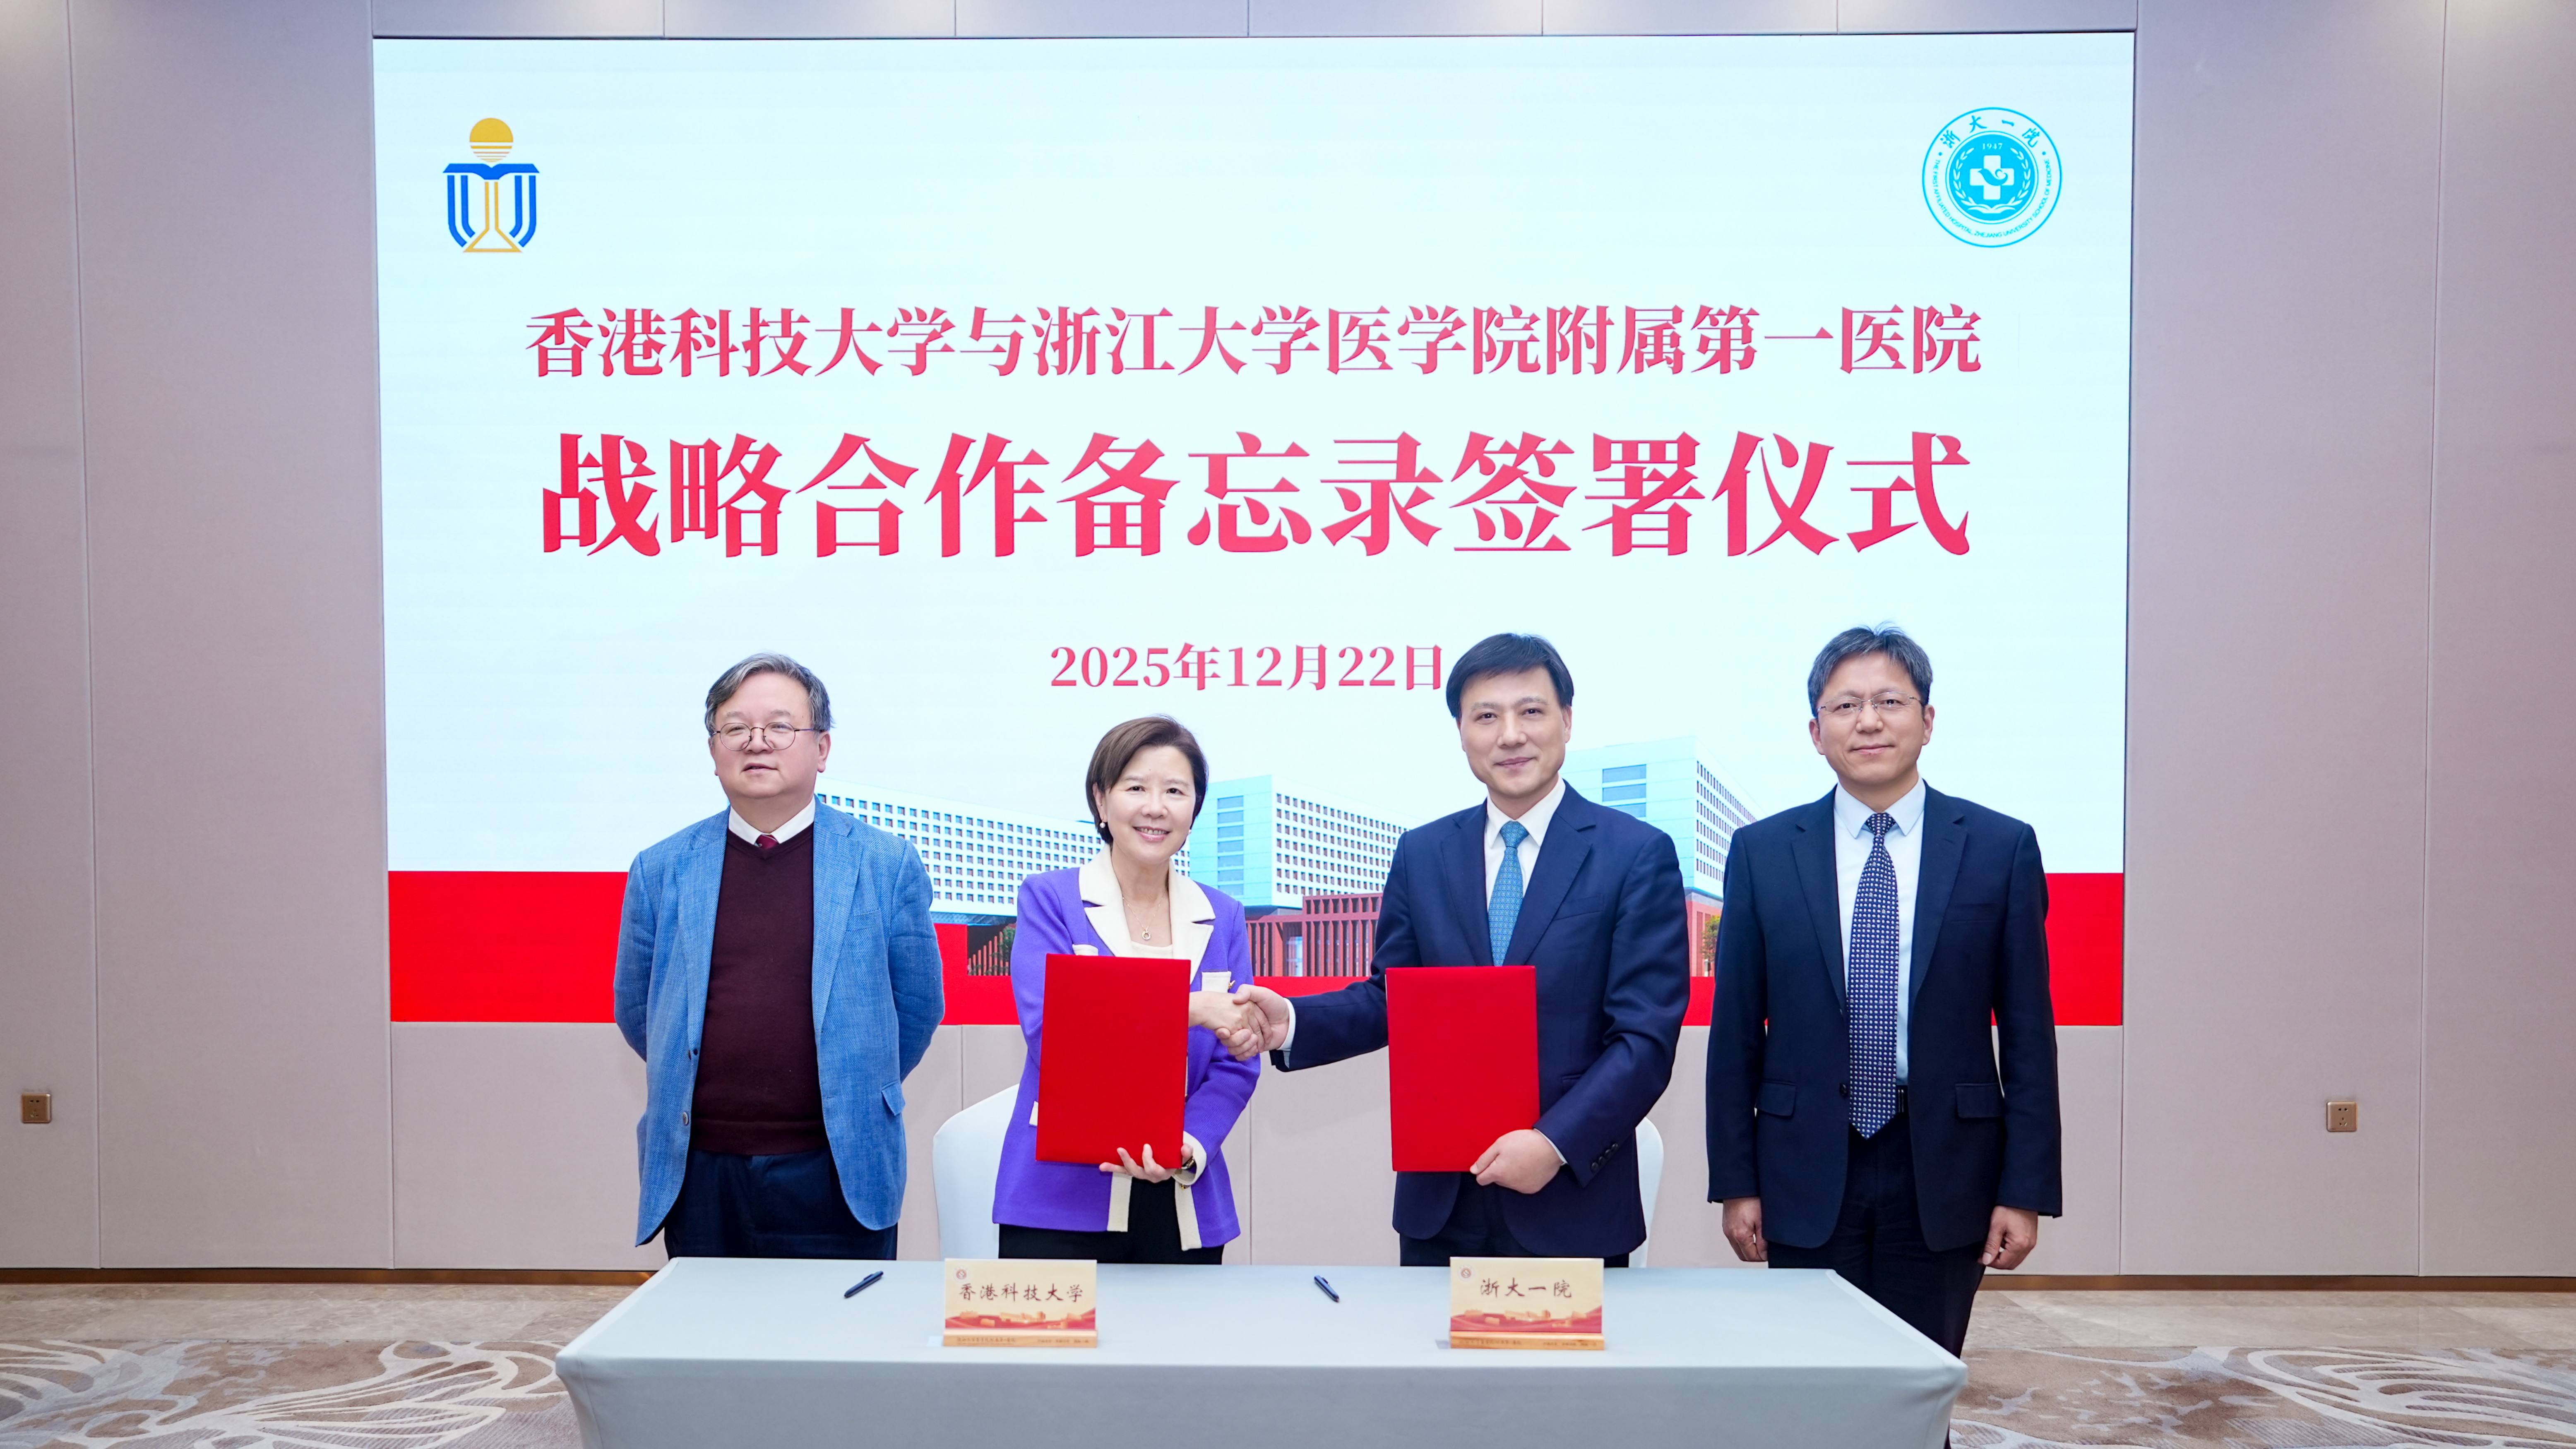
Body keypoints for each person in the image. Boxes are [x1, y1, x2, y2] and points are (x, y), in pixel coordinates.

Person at [1225, 634, 1688, 1264]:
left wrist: (1552, 1144)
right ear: (1462, 732)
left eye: (1531, 711)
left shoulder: (1635, 854)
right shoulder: (1424, 853)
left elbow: (1643, 1039)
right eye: (1486, 716)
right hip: (1440, 1204)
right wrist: (1296, 1022)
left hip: (1570, 1200)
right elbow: (1395, 997)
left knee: (1567, 1368)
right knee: (1430, 1363)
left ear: (1568, 720)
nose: (1511, 735)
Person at [1706, 625, 2061, 1359]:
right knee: (1813, 1391)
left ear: (1927, 720)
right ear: (1816, 731)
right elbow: (1736, 1031)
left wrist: (2023, 1188)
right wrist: (1737, 1182)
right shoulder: (1764, 852)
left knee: (1918, 1385)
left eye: (1890, 701)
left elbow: (2028, 1033)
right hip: (1803, 1164)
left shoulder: (2000, 848)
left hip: (1945, 1167)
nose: (1868, 721)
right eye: (1846, 706)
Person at [613, 653, 942, 1258]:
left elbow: (917, 1008)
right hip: (701, 1172)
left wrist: (855, 1087)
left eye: (780, 727)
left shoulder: (884, 862)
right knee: (710, 1344)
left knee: (838, 1344)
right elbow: (640, 1010)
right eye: (736, 728)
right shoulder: (661, 868)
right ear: (713, 750)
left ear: (822, 748)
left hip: (835, 1167)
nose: (756, 743)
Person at [993, 716, 1259, 1264]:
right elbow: (1055, 1031)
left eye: (1175, 791)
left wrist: (1188, 1145)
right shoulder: (1051, 900)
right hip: (1059, 1196)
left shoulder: (1225, 915)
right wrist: (1192, 1009)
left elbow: (1238, 1059)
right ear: (1101, 800)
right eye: (1136, 787)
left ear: (1195, 808)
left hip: (1184, 1193)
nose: (1155, 807)